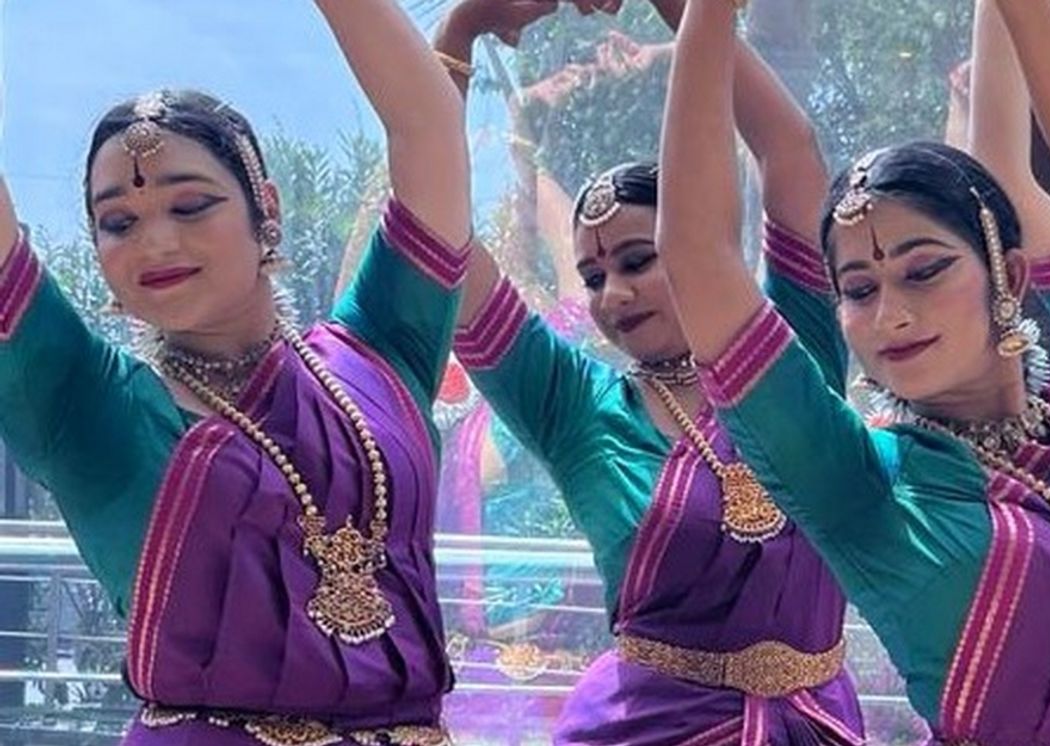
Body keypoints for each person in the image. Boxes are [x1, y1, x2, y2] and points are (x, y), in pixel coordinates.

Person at [653, 0, 1050, 742]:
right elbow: (697, 253)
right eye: (859, 291)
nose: (891, 316)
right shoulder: (862, 482)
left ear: (1008, 274)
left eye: (925, 271)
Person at [0, 1, 473, 743]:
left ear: (265, 209)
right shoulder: (82, 404)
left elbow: (430, 127)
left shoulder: (380, 351)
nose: (156, 242)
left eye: (191, 206)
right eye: (118, 222)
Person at [438, 0, 863, 742]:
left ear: (695, 244)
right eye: (592, 277)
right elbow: (435, 236)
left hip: (817, 724)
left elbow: (790, 150)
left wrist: (689, 9)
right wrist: (460, 30)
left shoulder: (791, 352)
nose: (613, 295)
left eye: (638, 261)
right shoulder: (575, 406)